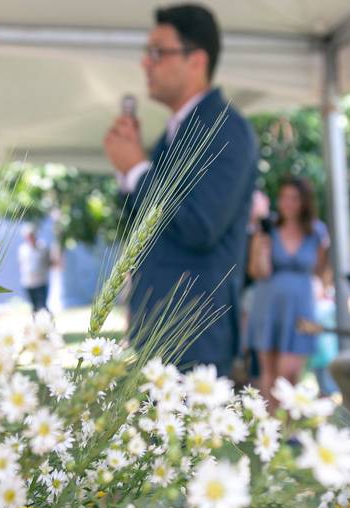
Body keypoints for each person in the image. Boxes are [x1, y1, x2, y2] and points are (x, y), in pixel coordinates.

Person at [103, 4, 257, 377]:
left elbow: (200, 225)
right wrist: (130, 175)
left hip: (193, 337)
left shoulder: (226, 128)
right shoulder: (173, 132)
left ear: (196, 60)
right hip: (156, 329)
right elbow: (151, 226)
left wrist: (137, 169)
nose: (145, 63)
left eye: (158, 52)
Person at [246, 177, 330, 410]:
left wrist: (320, 293)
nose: (288, 203)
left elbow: (322, 272)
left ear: (304, 201)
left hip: (301, 307)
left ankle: (287, 423)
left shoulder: (316, 232)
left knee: (289, 374)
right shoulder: (268, 228)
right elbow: (256, 271)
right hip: (268, 305)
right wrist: (262, 247)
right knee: (269, 372)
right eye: (284, 197)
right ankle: (271, 424)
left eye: (294, 198)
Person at [17, 223, 52, 313]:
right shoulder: (23, 249)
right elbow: (21, 264)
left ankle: (46, 319)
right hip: (28, 282)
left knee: (42, 305)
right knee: (34, 306)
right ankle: (36, 320)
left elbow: (49, 261)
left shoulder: (43, 247)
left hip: (41, 281)